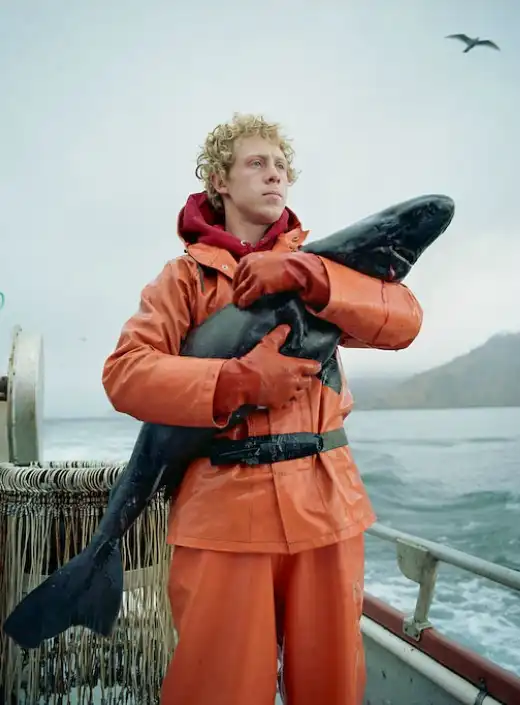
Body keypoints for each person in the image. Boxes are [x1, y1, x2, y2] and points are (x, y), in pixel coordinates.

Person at [102, 113, 423, 705]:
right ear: (219, 181)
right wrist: (235, 381)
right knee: (218, 690)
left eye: (280, 165)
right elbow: (124, 373)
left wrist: (311, 275)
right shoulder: (184, 278)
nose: (274, 174)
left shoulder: (325, 265)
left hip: (327, 508)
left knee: (331, 690)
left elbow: (403, 321)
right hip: (222, 514)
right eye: (256, 163)